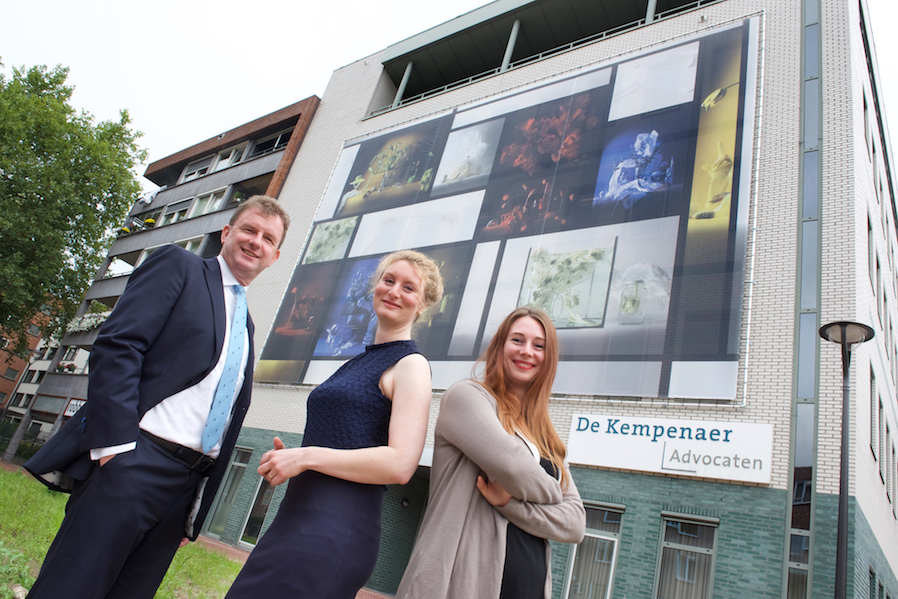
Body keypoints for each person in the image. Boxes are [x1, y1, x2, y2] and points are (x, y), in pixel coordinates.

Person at [23, 195, 289, 599]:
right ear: (227, 232)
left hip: (183, 487)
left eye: (268, 238)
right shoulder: (179, 266)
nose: (256, 241)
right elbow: (118, 345)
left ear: (275, 255)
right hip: (134, 462)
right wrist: (114, 448)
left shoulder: (247, 324)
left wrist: (192, 506)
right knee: (72, 588)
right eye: (249, 229)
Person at [225, 249, 444, 599]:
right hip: (296, 518)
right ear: (374, 286)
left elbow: (402, 464)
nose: (394, 291)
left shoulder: (412, 365)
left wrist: (306, 457)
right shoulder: (359, 362)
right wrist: (292, 460)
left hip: (335, 529)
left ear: (422, 305)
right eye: (388, 280)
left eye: (408, 288)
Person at [396, 307, 586, 599]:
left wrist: (511, 503)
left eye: (539, 345)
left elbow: (575, 525)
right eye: (517, 340)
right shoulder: (467, 397)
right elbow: (513, 467)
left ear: (548, 359)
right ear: (500, 346)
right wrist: (553, 494)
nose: (527, 351)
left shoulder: (547, 439)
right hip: (461, 584)